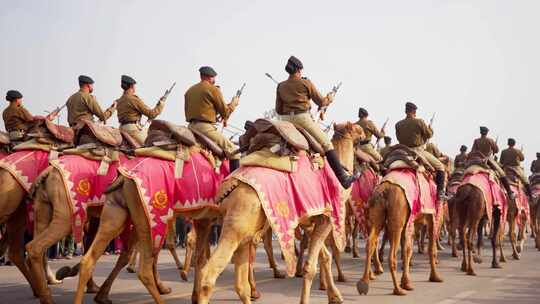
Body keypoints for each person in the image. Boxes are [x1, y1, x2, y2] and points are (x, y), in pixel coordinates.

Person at [275, 56, 357, 188]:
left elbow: (278, 109)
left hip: (284, 120)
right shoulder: (305, 83)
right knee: (326, 143)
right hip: (302, 119)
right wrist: (329, 98)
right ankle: (343, 178)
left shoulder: (280, 86)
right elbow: (321, 101)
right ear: (298, 70)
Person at [185, 66, 240, 171]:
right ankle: (234, 184)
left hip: (191, 127)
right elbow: (225, 113)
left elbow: (204, 108)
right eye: (214, 78)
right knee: (233, 151)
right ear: (211, 77)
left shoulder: (189, 91)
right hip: (205, 129)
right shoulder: (213, 89)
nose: (215, 81)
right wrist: (234, 103)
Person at [395, 102, 447, 200]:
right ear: (414, 112)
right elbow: (429, 135)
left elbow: (398, 138)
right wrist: (430, 128)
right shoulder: (419, 122)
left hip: (402, 151)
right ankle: (440, 193)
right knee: (440, 167)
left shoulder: (398, 124)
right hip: (418, 151)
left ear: (406, 111)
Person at [116, 75, 166, 145]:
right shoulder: (133, 99)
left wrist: (158, 104)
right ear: (132, 86)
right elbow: (151, 114)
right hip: (132, 130)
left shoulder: (120, 100)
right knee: (151, 145)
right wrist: (161, 104)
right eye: (134, 85)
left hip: (122, 128)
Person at [471, 126, 514, 198]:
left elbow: (473, 151)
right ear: (487, 133)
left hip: (477, 160)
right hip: (488, 160)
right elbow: (496, 150)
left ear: (480, 132)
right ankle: (509, 192)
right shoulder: (490, 140)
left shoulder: (476, 141)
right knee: (502, 173)